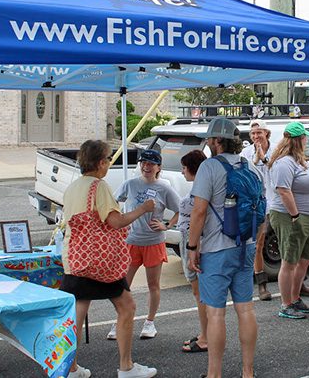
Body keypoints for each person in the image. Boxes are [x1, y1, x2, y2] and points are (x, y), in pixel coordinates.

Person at [61, 139, 157, 378]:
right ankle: (126, 367)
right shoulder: (99, 187)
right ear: (100, 162)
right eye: (108, 159)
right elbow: (115, 221)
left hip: (75, 258)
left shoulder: (72, 187)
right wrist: (142, 209)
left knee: (77, 312)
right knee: (127, 306)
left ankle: (70, 369)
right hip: (100, 261)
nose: (108, 164)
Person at [187, 117, 259, 378]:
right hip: (246, 244)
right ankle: (247, 372)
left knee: (216, 314)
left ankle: (214, 374)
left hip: (217, 248)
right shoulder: (250, 166)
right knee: (246, 309)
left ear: (218, 141)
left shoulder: (209, 168)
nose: (207, 142)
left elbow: (199, 211)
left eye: (209, 138)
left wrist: (192, 246)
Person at [114, 149, 181, 340]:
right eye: (143, 163)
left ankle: (150, 322)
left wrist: (166, 225)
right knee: (123, 284)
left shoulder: (164, 188)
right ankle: (120, 321)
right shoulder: (130, 184)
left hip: (153, 242)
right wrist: (119, 222)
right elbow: (114, 202)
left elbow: (180, 209)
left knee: (153, 284)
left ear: (159, 167)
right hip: (131, 241)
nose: (146, 167)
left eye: (151, 164)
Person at [268, 121, 309, 319]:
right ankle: (286, 304)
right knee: (290, 260)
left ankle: (295, 298)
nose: (307, 140)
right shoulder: (284, 162)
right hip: (290, 216)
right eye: (304, 137)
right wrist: (295, 215)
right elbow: (283, 190)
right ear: (297, 140)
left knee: (304, 259)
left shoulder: (300, 160)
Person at [177, 150, 209, 354]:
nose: (181, 172)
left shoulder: (200, 189)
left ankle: (206, 337)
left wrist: (192, 248)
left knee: (200, 293)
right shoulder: (202, 186)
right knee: (199, 292)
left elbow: (199, 216)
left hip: (194, 241)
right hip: (192, 239)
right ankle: (204, 333)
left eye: (183, 168)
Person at [241, 118, 275, 301]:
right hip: (259, 205)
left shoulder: (276, 149)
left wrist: (264, 159)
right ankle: (262, 284)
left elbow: (280, 169)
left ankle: (298, 282)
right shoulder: (246, 152)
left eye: (259, 133)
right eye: (253, 134)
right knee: (258, 244)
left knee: (287, 243)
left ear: (266, 134)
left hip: (278, 203)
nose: (256, 137)